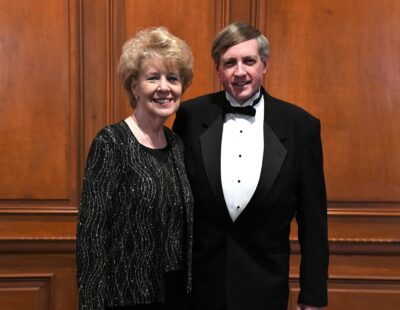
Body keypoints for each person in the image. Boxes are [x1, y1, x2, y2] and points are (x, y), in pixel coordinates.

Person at [173, 22, 329, 310]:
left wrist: (313, 297)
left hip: (265, 290)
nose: (240, 71)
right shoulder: (190, 117)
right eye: (230, 62)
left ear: (264, 65)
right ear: (218, 70)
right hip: (200, 292)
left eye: (249, 61)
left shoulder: (301, 126)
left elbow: (313, 222)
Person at [76, 27, 194, 310]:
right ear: (134, 86)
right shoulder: (111, 142)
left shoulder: (177, 144)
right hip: (124, 298)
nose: (164, 87)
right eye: (153, 78)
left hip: (176, 295)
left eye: (173, 78)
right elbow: (91, 235)